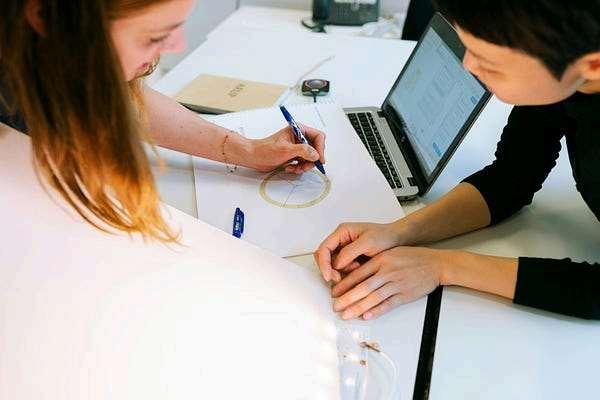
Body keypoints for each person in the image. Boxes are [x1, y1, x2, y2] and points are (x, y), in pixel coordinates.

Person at [315, 0, 600, 320]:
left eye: (491, 63)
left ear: (592, 65)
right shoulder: (558, 73)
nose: (468, 66)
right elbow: (512, 178)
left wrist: (443, 266)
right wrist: (396, 233)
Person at [0, 0, 326, 242]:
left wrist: (247, 150)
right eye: (154, 37)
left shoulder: (62, 56)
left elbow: (127, 100)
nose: (177, 46)